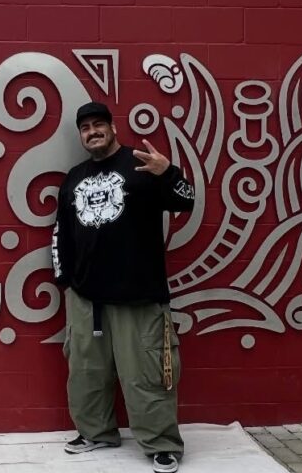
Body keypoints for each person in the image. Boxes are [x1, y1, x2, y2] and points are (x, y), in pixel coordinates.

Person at [52, 101, 195, 473]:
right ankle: (97, 433)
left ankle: (161, 444)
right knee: (86, 373)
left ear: (113, 128)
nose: (92, 132)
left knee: (146, 375)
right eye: (85, 128)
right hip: (86, 297)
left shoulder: (141, 165)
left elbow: (186, 201)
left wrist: (168, 174)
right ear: (80, 135)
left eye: (99, 124)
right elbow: (60, 234)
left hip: (138, 294)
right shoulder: (73, 177)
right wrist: (66, 280)